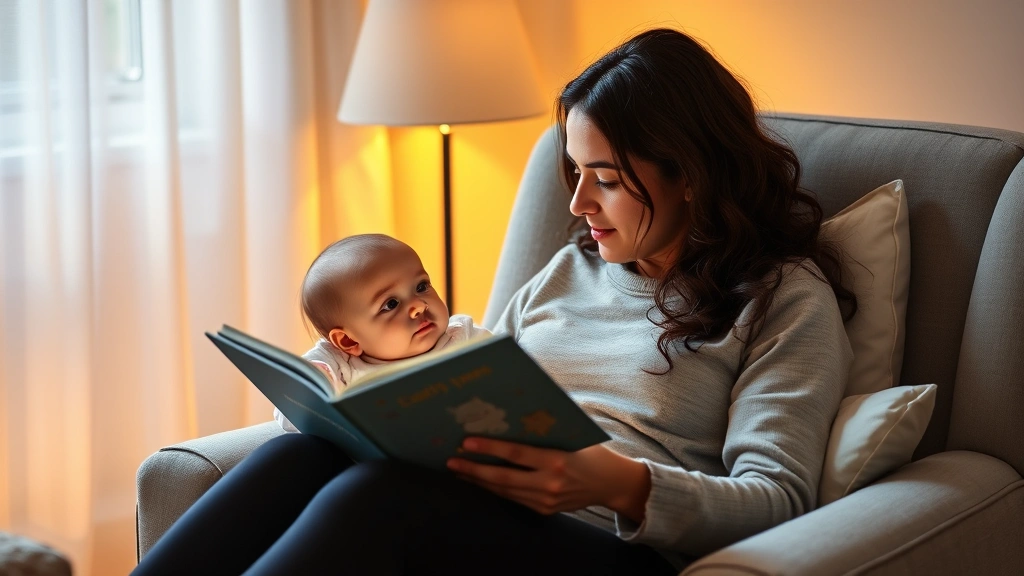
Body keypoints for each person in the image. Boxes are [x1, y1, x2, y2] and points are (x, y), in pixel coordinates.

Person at [133, 28, 856, 575]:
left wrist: (620, 483)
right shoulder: (573, 268)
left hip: (609, 545)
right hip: (481, 516)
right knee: (295, 459)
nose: (576, 203)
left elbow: (780, 498)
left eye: (603, 178)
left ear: (689, 175)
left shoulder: (783, 298)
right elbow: (473, 380)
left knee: (383, 495)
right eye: (574, 171)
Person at [275, 234, 488, 432]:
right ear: (348, 340)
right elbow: (288, 416)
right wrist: (313, 386)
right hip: (361, 456)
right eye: (391, 304)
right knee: (282, 451)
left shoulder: (463, 338)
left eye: (421, 286)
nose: (419, 306)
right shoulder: (338, 363)